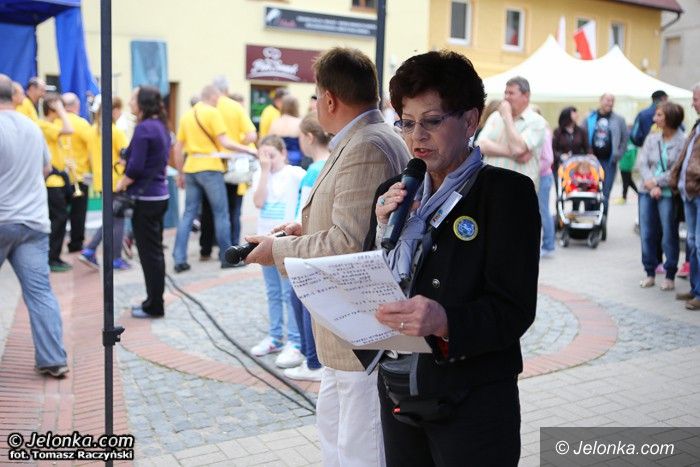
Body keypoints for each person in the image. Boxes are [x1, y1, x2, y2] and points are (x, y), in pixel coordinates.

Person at [368, 50, 538, 466]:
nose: (416, 137)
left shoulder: (506, 194)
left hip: (472, 401)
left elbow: (514, 310)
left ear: (470, 120)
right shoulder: (395, 192)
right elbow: (377, 280)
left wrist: (445, 320)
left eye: (431, 121)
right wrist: (380, 231)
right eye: (406, 122)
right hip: (399, 387)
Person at [245, 47, 409, 466]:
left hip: (360, 330)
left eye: (317, 96)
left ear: (330, 99)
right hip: (346, 330)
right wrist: (306, 229)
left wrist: (277, 251)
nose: (315, 104)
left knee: (360, 446)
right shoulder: (361, 138)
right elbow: (359, 224)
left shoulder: (367, 144)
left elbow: (348, 243)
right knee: (338, 435)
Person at [0, 74, 69, 378]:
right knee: (40, 293)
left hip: (3, 219)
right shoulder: (31, 126)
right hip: (33, 221)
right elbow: (46, 168)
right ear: (13, 96)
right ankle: (53, 359)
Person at [172, 85, 256, 272]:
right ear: (213, 96)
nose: (219, 101)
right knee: (221, 214)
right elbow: (225, 142)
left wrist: (180, 173)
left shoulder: (187, 115)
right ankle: (227, 259)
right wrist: (248, 149)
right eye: (218, 98)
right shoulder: (213, 113)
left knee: (188, 214)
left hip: (191, 167)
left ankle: (179, 258)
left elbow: (178, 148)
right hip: (210, 168)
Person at [115, 86, 171, 319]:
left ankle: (154, 305)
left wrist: (119, 184)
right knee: (154, 253)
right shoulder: (160, 125)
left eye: (133, 98)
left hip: (146, 199)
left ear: (143, 103)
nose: (129, 102)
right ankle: (153, 300)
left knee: (149, 255)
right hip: (159, 196)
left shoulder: (144, 127)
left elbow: (136, 168)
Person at [249, 136, 305, 368]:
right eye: (263, 155)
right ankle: (275, 336)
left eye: (271, 155)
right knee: (272, 292)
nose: (267, 160)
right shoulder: (260, 174)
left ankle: (295, 340)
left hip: (284, 241)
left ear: (283, 153)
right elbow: (258, 202)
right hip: (264, 240)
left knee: (288, 293)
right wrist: (263, 171)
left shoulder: (295, 174)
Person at [284, 112, 330, 382]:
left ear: (309, 137)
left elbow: (304, 210)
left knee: (300, 299)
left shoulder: (313, 170)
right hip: (318, 241)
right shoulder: (330, 163)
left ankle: (312, 361)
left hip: (305, 244)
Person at [199, 77, 258, 261]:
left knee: (209, 209)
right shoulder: (234, 107)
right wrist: (239, 144)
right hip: (233, 165)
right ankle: (231, 249)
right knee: (233, 209)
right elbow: (252, 135)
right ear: (226, 89)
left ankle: (206, 248)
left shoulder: (204, 108)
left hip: (209, 164)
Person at [637, 102, 685, 292]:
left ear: (669, 118)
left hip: (667, 193)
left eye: (659, 115)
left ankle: (670, 274)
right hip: (646, 191)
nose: (654, 118)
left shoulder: (682, 141)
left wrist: (657, 182)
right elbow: (642, 163)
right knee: (647, 233)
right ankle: (649, 272)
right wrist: (650, 183)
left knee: (668, 234)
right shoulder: (652, 138)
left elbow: (677, 170)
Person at [79, 97, 130, 270]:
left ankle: (91, 250)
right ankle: (112, 257)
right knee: (117, 221)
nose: (121, 113)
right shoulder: (115, 131)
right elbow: (126, 156)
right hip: (116, 181)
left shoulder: (92, 131)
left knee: (110, 218)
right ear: (114, 110)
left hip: (100, 181)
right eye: (120, 109)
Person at [476, 76, 547, 189]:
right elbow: (480, 145)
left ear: (526, 96)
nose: (506, 97)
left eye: (511, 93)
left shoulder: (537, 121)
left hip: (519, 189)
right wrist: (513, 154)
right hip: (491, 185)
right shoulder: (495, 116)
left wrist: (507, 117)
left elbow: (518, 149)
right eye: (505, 93)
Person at [670, 83, 700, 310]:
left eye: (695, 99)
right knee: (692, 242)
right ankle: (696, 288)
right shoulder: (697, 125)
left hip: (697, 191)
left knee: (698, 243)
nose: (692, 103)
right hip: (689, 193)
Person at [39, 94, 74, 272]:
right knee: (58, 219)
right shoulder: (44, 125)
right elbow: (69, 129)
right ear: (52, 107)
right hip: (51, 182)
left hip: (58, 180)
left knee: (60, 219)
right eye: (60, 105)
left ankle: (54, 256)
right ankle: (52, 258)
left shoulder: (51, 125)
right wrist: (60, 109)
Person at [582, 93, 628, 217]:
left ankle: (601, 222)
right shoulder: (590, 118)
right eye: (607, 100)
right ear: (601, 100)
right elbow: (582, 135)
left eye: (612, 101)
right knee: (589, 190)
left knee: (605, 193)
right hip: (590, 162)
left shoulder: (619, 120)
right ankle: (589, 220)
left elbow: (625, 140)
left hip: (609, 162)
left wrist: (618, 154)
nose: (610, 103)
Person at [61, 92, 93, 253]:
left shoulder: (56, 121)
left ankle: (56, 247)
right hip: (80, 176)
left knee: (58, 215)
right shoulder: (82, 124)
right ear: (75, 106)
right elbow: (92, 148)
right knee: (78, 214)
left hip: (59, 176)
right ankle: (75, 244)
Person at [533, 106, 555, 258]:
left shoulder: (545, 133)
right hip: (539, 176)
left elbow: (548, 159)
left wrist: (532, 172)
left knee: (543, 211)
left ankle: (548, 244)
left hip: (542, 176)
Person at [552, 106, 588, 186]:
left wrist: (590, 156)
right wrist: (561, 156)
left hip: (577, 166)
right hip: (561, 166)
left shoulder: (581, 131)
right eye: (574, 113)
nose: (577, 115)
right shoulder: (558, 132)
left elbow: (587, 147)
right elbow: (553, 149)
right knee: (562, 187)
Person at [268, 95, 305, 167]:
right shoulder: (299, 123)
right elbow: (303, 146)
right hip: (296, 160)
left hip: (279, 160)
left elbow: (269, 144)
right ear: (296, 107)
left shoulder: (275, 123)